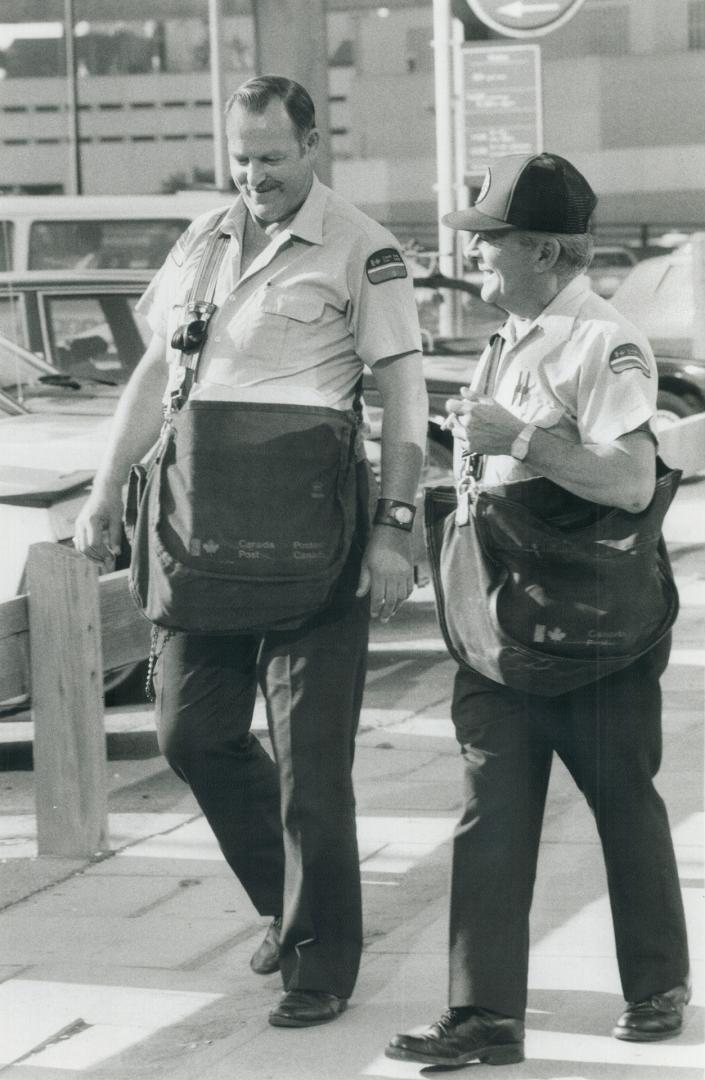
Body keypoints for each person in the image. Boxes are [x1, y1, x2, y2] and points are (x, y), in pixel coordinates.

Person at [74, 75, 428, 1028]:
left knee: (312, 766)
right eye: (241, 156)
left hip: (314, 540)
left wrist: (397, 524)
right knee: (190, 733)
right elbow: (157, 368)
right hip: (202, 532)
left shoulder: (365, 248)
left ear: (313, 147)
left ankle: (321, 962)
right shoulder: (206, 236)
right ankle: (288, 902)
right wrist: (106, 489)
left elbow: (403, 398)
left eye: (273, 157)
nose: (254, 175)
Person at [386, 152, 690, 1068]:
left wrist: (515, 436)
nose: (477, 261)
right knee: (491, 813)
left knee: (622, 807)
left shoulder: (605, 342)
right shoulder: (509, 336)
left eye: (492, 245)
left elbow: (633, 482)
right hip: (503, 629)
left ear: (549, 252)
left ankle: (656, 985)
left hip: (594, 633)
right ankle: (484, 1016)